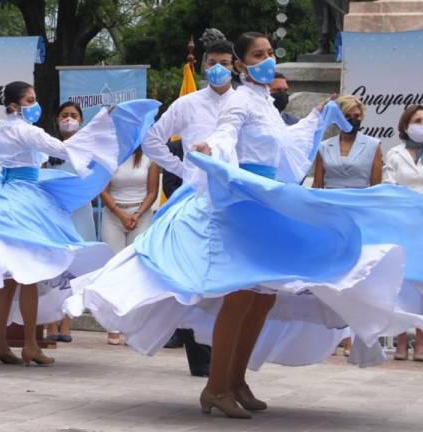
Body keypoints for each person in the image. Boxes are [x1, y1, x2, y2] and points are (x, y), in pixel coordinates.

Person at [67, 31, 423, 419]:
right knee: (240, 297)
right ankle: (216, 386)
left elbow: (286, 148)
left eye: (270, 52)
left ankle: (235, 381)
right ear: (241, 63)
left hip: (265, 198)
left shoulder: (266, 102)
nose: (267, 59)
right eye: (257, 54)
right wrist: (208, 152)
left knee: (262, 297)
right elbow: (226, 133)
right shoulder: (238, 100)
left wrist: (319, 116)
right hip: (241, 201)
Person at [0, 81, 158, 367]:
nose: (35, 104)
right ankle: (30, 346)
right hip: (28, 201)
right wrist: (102, 125)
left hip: (6, 197)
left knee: (10, 279)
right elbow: (62, 148)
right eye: (30, 99)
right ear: (14, 105)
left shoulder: (1, 133)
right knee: (30, 277)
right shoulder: (26, 131)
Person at [139, 40, 236, 375]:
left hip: (237, 200)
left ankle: (230, 358)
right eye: (213, 62)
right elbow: (152, 139)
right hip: (197, 198)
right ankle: (200, 354)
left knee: (232, 278)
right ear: (205, 66)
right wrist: (183, 170)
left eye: (225, 61)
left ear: (235, 65)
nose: (219, 68)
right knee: (198, 274)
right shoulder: (188, 103)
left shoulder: (245, 102)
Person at [312, 95, 382, 357]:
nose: (353, 119)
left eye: (357, 115)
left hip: (360, 215)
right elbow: (318, 185)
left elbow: (375, 186)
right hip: (330, 215)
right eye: (348, 114)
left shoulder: (374, 144)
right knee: (330, 276)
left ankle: (354, 335)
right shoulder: (324, 146)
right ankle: (330, 335)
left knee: (357, 276)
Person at [99, 147, 160, 346]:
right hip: (113, 214)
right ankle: (113, 326)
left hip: (140, 215)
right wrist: (120, 214)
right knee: (114, 267)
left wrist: (137, 214)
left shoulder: (149, 158)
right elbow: (103, 189)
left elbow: (152, 191)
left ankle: (132, 327)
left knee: (135, 269)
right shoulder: (110, 154)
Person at [45, 101, 92, 344]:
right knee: (54, 266)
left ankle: (66, 322)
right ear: (57, 119)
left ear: (81, 121)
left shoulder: (87, 150)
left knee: (75, 266)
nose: (69, 119)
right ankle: (50, 323)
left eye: (74, 115)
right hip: (55, 212)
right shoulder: (48, 147)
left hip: (79, 212)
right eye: (64, 115)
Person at [383, 104, 423, 362]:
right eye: (418, 120)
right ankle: (399, 342)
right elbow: (389, 187)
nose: (421, 125)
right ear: (406, 125)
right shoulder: (395, 154)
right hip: (402, 224)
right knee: (402, 284)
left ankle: (420, 342)